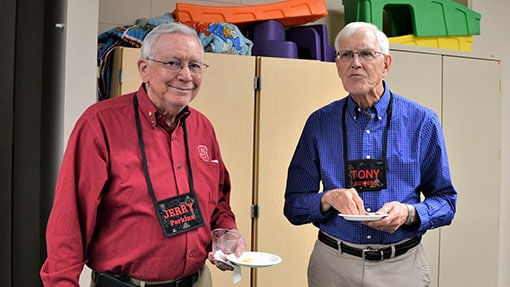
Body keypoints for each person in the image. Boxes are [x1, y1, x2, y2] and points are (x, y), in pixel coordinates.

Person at [40, 22, 245, 287]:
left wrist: (226, 233)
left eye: (195, 65)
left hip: (196, 281)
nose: (186, 75)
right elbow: (70, 221)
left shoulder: (202, 127)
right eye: (173, 63)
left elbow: (218, 200)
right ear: (144, 69)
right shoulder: (99, 125)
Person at [283, 22, 457, 287]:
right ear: (337, 66)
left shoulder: (422, 122)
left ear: (386, 64)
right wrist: (328, 198)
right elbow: (294, 206)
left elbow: (446, 202)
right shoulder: (318, 124)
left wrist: (409, 213)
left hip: (401, 267)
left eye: (366, 54)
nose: (355, 63)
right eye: (346, 55)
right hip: (334, 264)